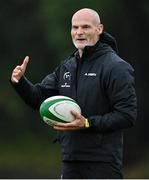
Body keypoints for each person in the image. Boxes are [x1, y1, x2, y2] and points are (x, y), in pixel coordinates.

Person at [10, 8, 137, 179]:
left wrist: (86, 123)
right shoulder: (67, 66)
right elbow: (39, 99)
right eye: (75, 27)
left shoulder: (116, 67)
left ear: (99, 29)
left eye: (85, 27)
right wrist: (20, 82)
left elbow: (127, 115)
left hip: (103, 164)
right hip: (70, 161)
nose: (79, 32)